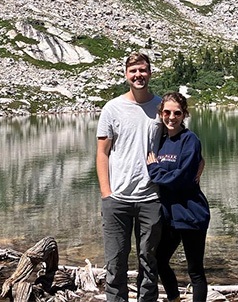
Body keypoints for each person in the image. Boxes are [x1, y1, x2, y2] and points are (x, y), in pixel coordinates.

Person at [96, 52, 163, 302]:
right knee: (115, 263)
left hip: (151, 197)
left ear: (150, 73)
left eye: (143, 70)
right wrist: (107, 193)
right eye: (133, 71)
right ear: (126, 75)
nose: (139, 75)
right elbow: (102, 153)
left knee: (149, 262)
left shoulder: (160, 107)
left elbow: (177, 141)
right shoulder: (113, 108)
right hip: (118, 199)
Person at [147, 92, 210, 302]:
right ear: (161, 113)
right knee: (160, 260)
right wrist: (164, 175)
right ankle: (174, 298)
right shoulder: (162, 140)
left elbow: (181, 178)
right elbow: (173, 176)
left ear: (184, 115)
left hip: (192, 214)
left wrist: (155, 170)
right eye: (166, 112)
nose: (171, 117)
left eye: (177, 113)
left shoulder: (190, 140)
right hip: (170, 217)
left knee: (195, 270)